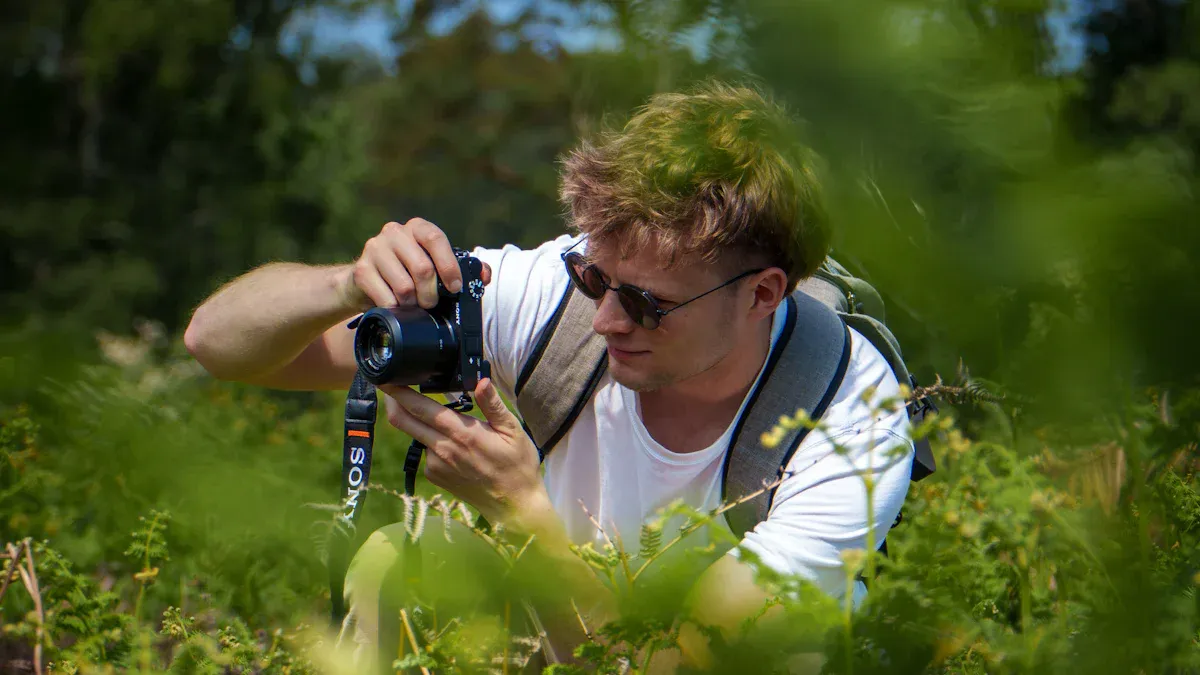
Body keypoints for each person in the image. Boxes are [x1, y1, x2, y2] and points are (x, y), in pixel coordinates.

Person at [183, 80, 915, 671]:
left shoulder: (849, 417)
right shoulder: (551, 296)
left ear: (762, 294)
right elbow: (216, 342)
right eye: (595, 278)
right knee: (396, 560)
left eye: (645, 304)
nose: (602, 320)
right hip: (561, 632)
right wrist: (347, 284)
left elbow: (680, 663)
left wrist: (525, 516)